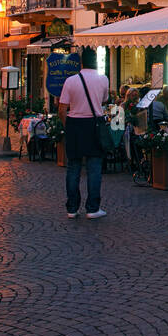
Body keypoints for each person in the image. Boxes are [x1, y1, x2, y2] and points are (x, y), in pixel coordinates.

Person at [58, 55, 111, 219]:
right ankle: (93, 208)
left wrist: (68, 126)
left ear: (81, 63)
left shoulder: (70, 80)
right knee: (94, 167)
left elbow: (62, 109)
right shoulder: (103, 79)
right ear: (97, 63)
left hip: (75, 124)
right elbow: (104, 100)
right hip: (94, 124)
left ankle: (72, 208)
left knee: (73, 167)